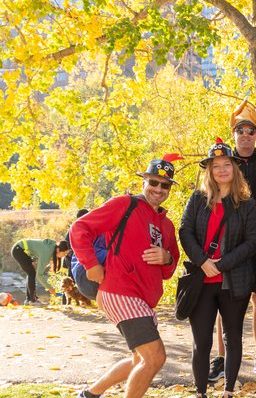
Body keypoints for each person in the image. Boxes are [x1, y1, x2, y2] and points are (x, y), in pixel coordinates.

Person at [71, 154, 182, 398]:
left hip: (144, 299)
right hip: (119, 291)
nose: (158, 189)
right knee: (155, 358)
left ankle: (89, 394)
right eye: (153, 182)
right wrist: (91, 264)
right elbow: (80, 228)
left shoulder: (167, 225)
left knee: (139, 359)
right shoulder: (125, 204)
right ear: (144, 182)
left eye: (165, 185)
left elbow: (168, 271)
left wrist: (167, 258)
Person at [180, 138, 256, 398]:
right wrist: (203, 262)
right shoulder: (197, 199)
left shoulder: (247, 204)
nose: (222, 170)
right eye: (216, 166)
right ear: (209, 171)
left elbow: (252, 241)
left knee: (232, 336)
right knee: (201, 341)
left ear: (235, 169)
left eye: (227, 164)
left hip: (234, 281)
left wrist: (221, 265)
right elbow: (185, 231)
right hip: (201, 281)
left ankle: (228, 391)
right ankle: (201, 392)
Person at [207, 99, 256, 383]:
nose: (246, 135)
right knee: (226, 300)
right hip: (229, 242)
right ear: (233, 133)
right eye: (241, 130)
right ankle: (221, 358)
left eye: (251, 131)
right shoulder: (224, 161)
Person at [11, 238, 70, 305]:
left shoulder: (52, 247)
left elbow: (37, 250)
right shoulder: (48, 252)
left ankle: (29, 300)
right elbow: (39, 275)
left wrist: (32, 260)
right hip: (19, 250)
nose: (64, 256)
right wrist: (50, 288)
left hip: (20, 249)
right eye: (64, 253)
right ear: (58, 250)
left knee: (31, 273)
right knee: (32, 273)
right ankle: (33, 300)